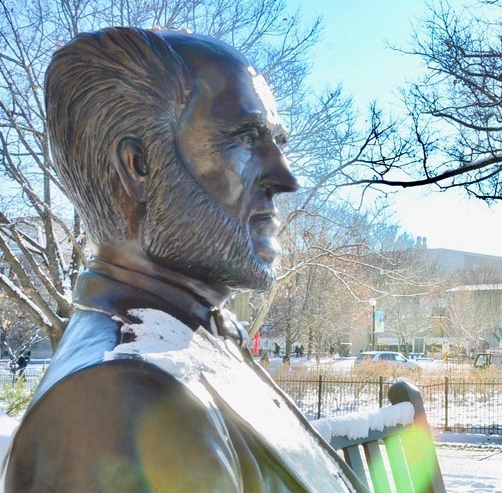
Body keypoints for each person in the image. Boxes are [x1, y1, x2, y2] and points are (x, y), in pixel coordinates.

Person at [3, 28, 365, 492]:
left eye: (278, 142)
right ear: (139, 167)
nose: (285, 177)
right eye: (246, 139)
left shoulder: (186, 339)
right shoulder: (122, 401)